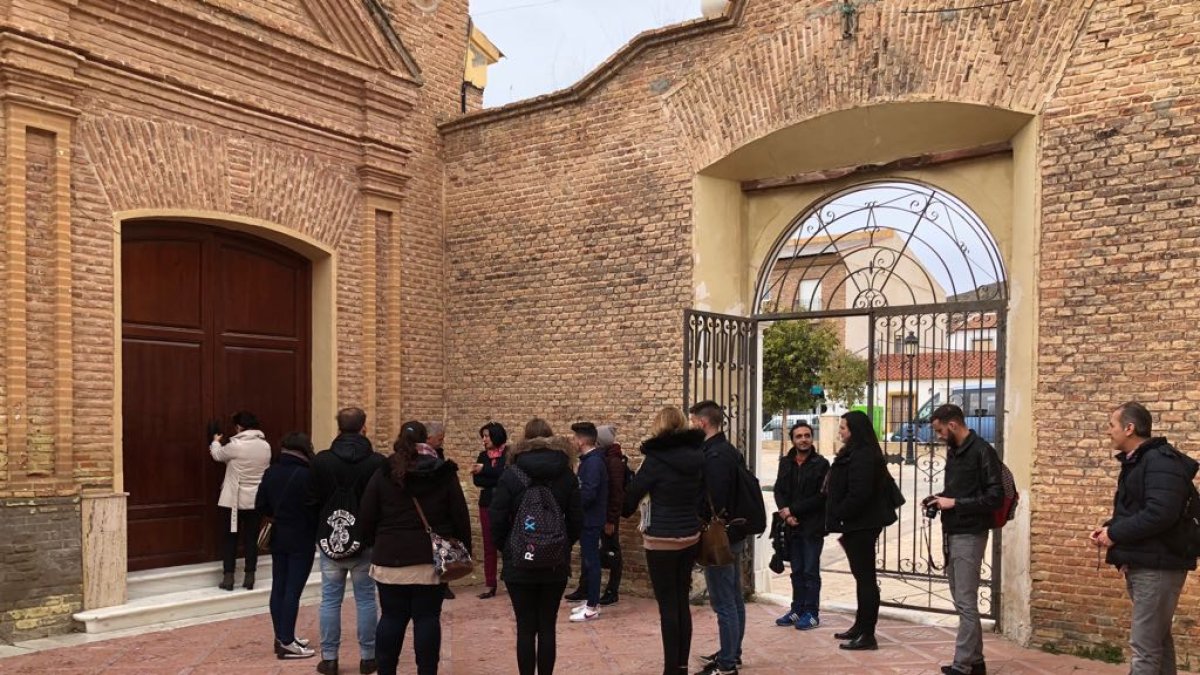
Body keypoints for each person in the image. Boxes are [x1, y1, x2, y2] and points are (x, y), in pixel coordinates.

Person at [1090, 402, 1197, 675]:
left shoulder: (1159, 461)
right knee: (1157, 641)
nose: (1108, 431)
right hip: (1148, 562)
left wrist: (1115, 534)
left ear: (1129, 428)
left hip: (1158, 567)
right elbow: (1138, 510)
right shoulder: (1140, 461)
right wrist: (1109, 528)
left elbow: (1160, 513)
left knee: (1144, 649)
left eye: (1112, 425)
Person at [359, 421, 471, 675]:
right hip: (429, 559)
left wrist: (373, 543)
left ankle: (386, 670)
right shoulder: (443, 473)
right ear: (426, 440)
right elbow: (459, 515)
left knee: (391, 618)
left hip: (390, 558)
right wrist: (463, 548)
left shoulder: (384, 472)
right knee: (427, 618)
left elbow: (367, 513)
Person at [489, 419, 583, 675]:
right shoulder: (566, 474)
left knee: (525, 628)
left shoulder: (512, 473)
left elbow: (496, 518)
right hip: (554, 562)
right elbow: (577, 519)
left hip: (519, 562)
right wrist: (562, 545)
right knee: (547, 627)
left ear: (524, 441)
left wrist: (508, 548)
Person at [622, 407, 705, 675]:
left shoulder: (654, 460)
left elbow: (630, 498)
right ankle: (681, 666)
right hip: (690, 535)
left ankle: (671, 670)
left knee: (668, 605)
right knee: (682, 602)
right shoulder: (698, 456)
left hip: (661, 540)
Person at [925, 404, 1004, 675]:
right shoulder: (955, 451)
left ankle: (962, 666)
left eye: (939, 430)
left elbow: (995, 497)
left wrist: (954, 502)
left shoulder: (983, 451)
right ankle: (976, 663)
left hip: (971, 533)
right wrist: (938, 499)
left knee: (966, 602)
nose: (937, 436)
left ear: (953, 425)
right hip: (953, 531)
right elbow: (956, 492)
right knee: (961, 600)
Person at [308, 407, 387, 675]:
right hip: (364, 540)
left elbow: (312, 499)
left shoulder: (321, 461)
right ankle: (368, 658)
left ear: (338, 428)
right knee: (365, 598)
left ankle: (329, 658)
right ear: (364, 427)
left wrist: (317, 532)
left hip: (330, 539)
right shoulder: (376, 461)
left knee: (330, 600)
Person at [825, 410, 895, 652]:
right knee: (861, 578)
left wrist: (839, 514)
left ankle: (867, 634)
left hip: (862, 524)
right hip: (858, 524)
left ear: (854, 430)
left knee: (866, 580)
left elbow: (859, 494)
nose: (840, 432)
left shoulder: (863, 455)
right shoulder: (856, 452)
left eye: (843, 427)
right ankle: (860, 625)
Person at [689, 400, 746, 675]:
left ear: (702, 423)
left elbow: (714, 498)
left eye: (692, 422)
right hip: (732, 531)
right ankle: (731, 653)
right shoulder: (728, 450)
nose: (690, 426)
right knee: (733, 597)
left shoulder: (714, 456)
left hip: (719, 535)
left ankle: (726, 665)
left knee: (724, 601)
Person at [256, 432, 317, 660]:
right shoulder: (308, 475)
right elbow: (314, 507)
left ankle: (281, 636)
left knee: (279, 586)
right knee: (293, 590)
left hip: (279, 536)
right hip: (301, 537)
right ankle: (287, 641)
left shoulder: (271, 472)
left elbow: (260, 504)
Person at [773, 421, 829, 631]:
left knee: (810, 571)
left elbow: (822, 496)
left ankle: (811, 613)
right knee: (796, 570)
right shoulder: (785, 462)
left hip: (812, 525)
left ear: (811, 438)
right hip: (791, 525)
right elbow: (779, 490)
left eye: (807, 435)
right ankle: (797, 609)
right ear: (793, 439)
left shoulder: (821, 464)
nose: (803, 439)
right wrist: (786, 514)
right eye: (799, 436)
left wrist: (793, 510)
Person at [209, 410, 271, 591]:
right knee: (251, 540)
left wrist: (215, 441)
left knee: (230, 539)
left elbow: (218, 455)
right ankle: (249, 577)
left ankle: (228, 578)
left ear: (240, 426)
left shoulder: (236, 445)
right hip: (255, 500)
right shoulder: (265, 446)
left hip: (233, 501)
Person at [569, 422, 608, 622]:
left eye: (575, 438)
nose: (573, 441)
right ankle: (591, 600)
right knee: (589, 561)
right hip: (588, 519)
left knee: (592, 563)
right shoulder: (589, 461)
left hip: (591, 520)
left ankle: (592, 606)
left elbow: (589, 492)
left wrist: (575, 505)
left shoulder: (593, 463)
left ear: (583, 440)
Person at [473, 422, 509, 599]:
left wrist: (485, 470)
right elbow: (478, 482)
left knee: (508, 543)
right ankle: (490, 584)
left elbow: (507, 475)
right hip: (487, 504)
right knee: (489, 545)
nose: (484, 440)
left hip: (506, 505)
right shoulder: (482, 455)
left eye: (487, 436)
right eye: (483, 436)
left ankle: (511, 579)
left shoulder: (509, 454)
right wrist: (492, 476)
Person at [424, 421, 455, 600]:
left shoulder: (440, 456)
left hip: (439, 515)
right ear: (429, 438)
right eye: (439, 439)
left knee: (442, 549)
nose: (441, 442)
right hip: (430, 514)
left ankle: (444, 583)